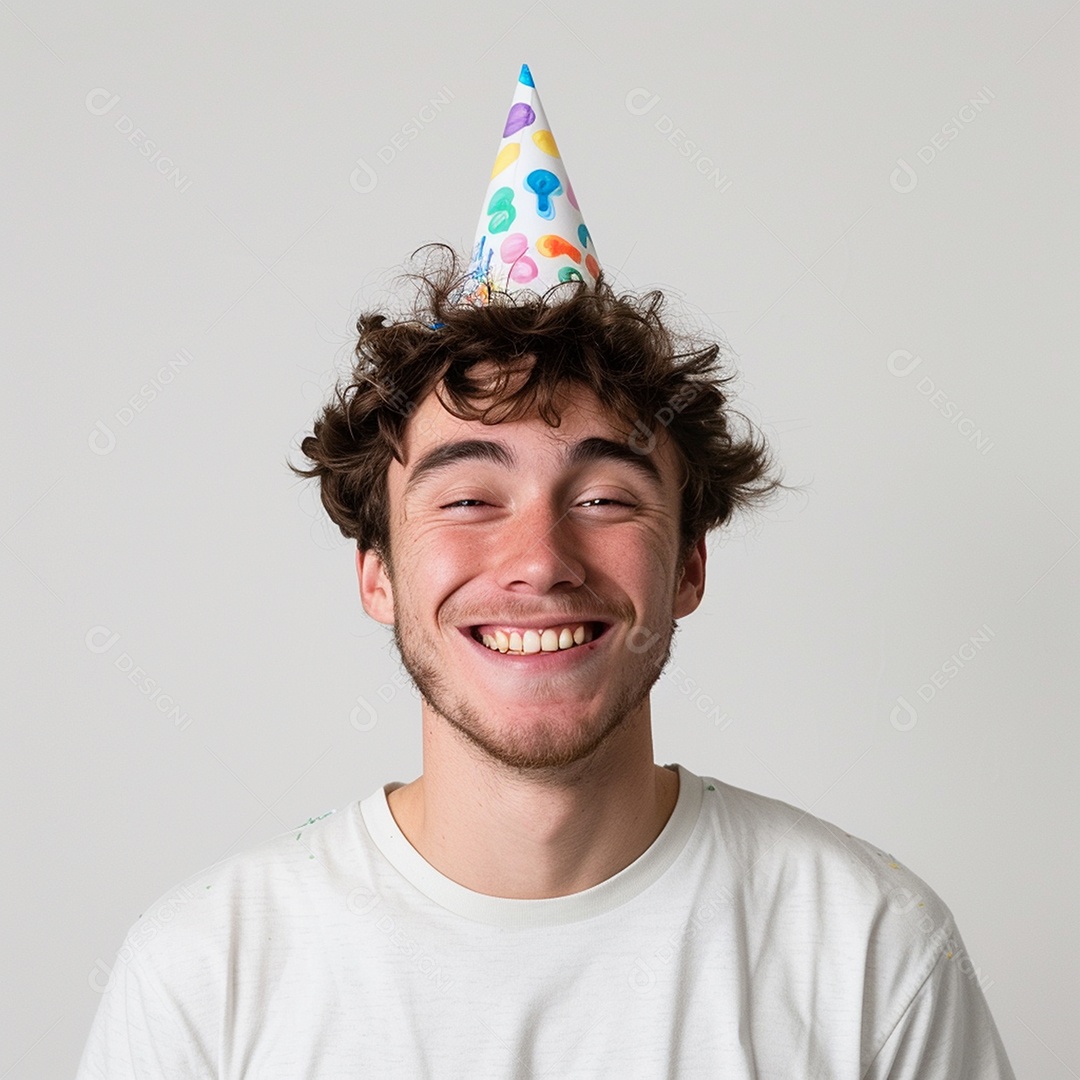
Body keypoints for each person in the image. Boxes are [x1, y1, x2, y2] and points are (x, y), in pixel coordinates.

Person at [77, 65, 1016, 1078]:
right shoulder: (204, 979)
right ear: (377, 574)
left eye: (606, 499)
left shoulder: (873, 954)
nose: (539, 562)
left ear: (689, 565)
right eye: (469, 499)